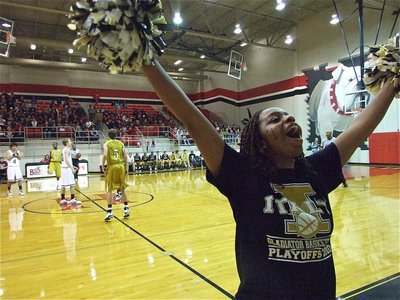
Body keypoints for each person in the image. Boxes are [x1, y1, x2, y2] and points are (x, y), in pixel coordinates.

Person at [142, 60, 397, 299]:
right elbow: (190, 116)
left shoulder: (314, 170)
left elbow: (363, 124)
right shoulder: (243, 174)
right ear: (260, 141)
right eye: (274, 120)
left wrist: (393, 76)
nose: (288, 119)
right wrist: (144, 55)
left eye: (288, 116)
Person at [102, 129, 130, 221]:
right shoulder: (121, 143)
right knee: (122, 188)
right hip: (121, 165)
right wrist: (126, 168)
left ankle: (109, 212)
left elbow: (105, 155)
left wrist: (103, 165)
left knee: (109, 190)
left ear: (108, 135)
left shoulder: (106, 144)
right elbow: (125, 156)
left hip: (112, 166)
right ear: (116, 135)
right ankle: (126, 209)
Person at [59, 139, 81, 206]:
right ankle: (72, 199)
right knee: (72, 184)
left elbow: (66, 161)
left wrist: (73, 166)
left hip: (64, 168)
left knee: (63, 184)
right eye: (69, 141)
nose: (71, 142)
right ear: (66, 143)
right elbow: (67, 160)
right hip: (67, 169)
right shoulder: (67, 150)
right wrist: (72, 168)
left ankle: (62, 199)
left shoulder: (63, 149)